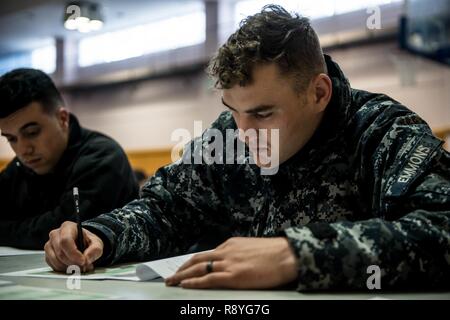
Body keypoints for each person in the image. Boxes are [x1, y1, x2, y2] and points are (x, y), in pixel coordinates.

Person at [45, 5, 449, 290]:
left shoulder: (382, 131)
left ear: (319, 93)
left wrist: (296, 255)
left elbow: (441, 228)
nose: (243, 132)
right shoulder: (231, 132)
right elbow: (165, 209)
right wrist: (101, 235)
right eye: (233, 111)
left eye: (263, 113)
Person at [0, 68, 139, 249]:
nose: (23, 149)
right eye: (11, 138)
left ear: (62, 119)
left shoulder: (103, 157)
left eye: (32, 132)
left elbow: (59, 232)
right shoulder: (21, 166)